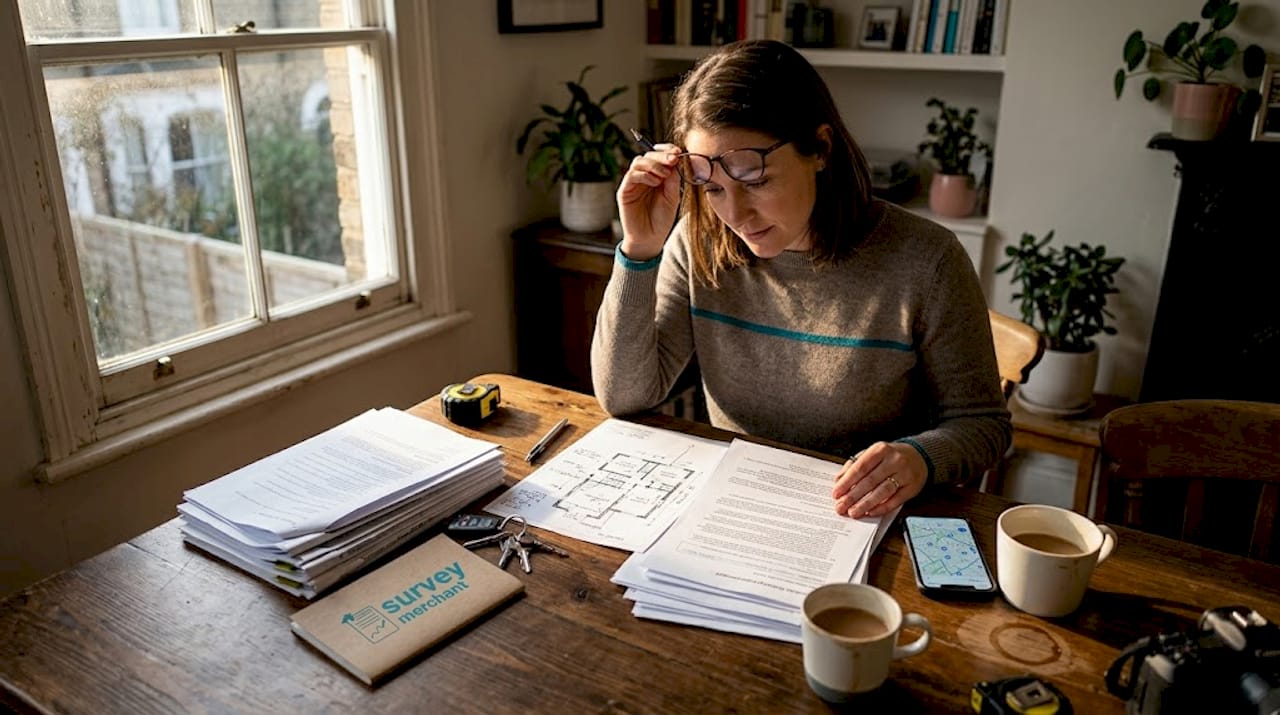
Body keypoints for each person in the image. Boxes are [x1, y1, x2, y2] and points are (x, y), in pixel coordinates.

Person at [591, 39, 1010, 521]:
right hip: (738, 506)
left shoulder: (927, 260)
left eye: (755, 181)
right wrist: (638, 250)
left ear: (821, 148)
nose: (735, 214)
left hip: (863, 520)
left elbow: (983, 425)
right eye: (712, 189)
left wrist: (918, 458)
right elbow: (624, 398)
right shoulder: (697, 241)